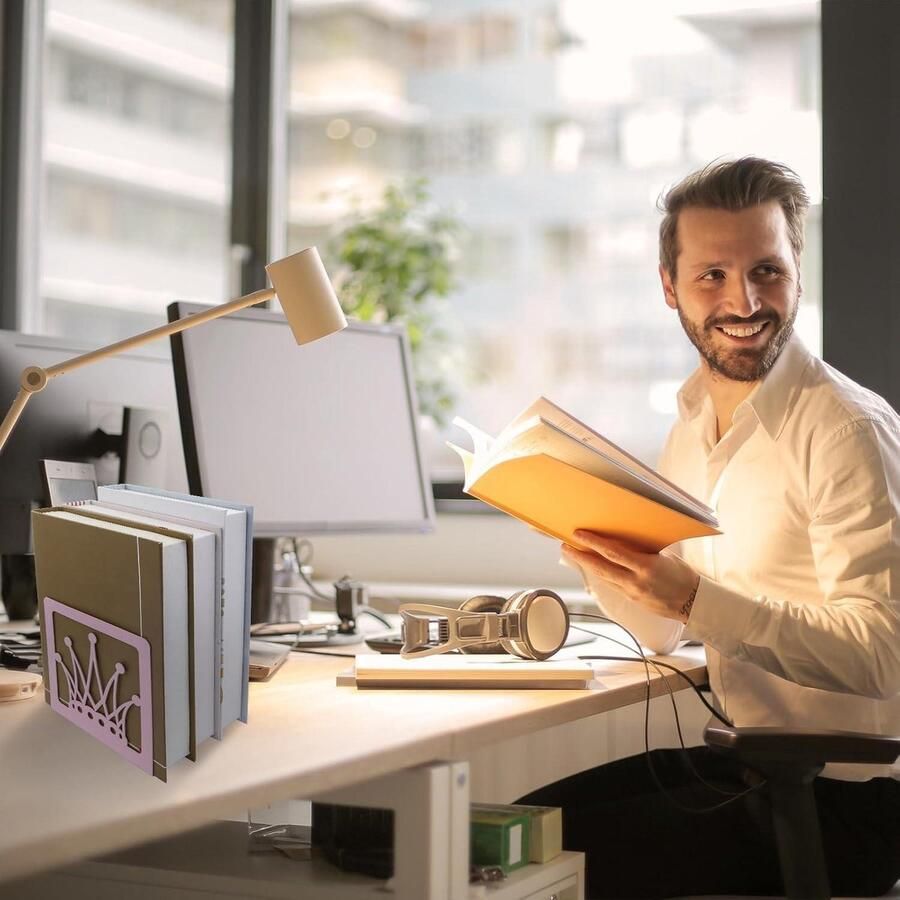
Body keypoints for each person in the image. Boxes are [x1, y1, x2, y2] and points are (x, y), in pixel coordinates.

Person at [519, 157, 900, 899]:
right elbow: (663, 636)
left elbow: (883, 654)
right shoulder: (693, 424)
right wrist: (599, 552)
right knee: (512, 826)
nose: (745, 299)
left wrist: (695, 597)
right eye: (712, 275)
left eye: (767, 270)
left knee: (522, 862)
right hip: (747, 768)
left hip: (846, 803)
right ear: (670, 288)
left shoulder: (846, 428)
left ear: (797, 271)